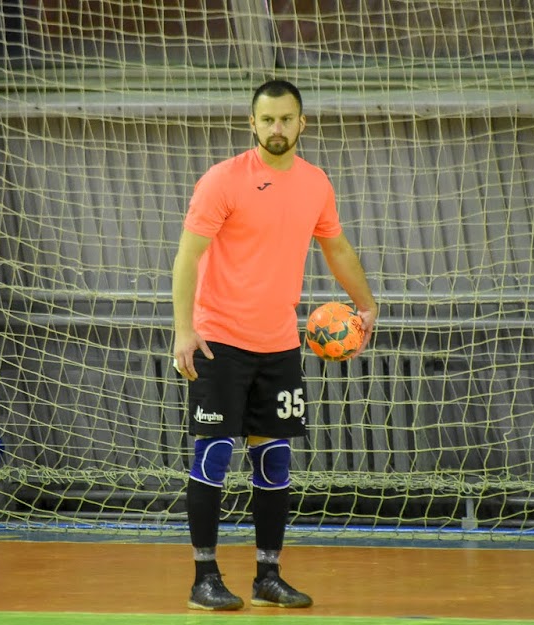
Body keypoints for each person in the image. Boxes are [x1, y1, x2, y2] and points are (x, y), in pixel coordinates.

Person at [171, 79, 377, 611]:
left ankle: (268, 574)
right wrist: (183, 330)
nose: (277, 129)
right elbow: (187, 258)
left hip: (279, 345)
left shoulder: (314, 183)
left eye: (287, 119)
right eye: (268, 120)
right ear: (253, 123)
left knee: (274, 463)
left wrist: (366, 304)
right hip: (219, 341)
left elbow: (336, 247)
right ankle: (204, 578)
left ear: (301, 123)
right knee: (213, 455)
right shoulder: (223, 180)